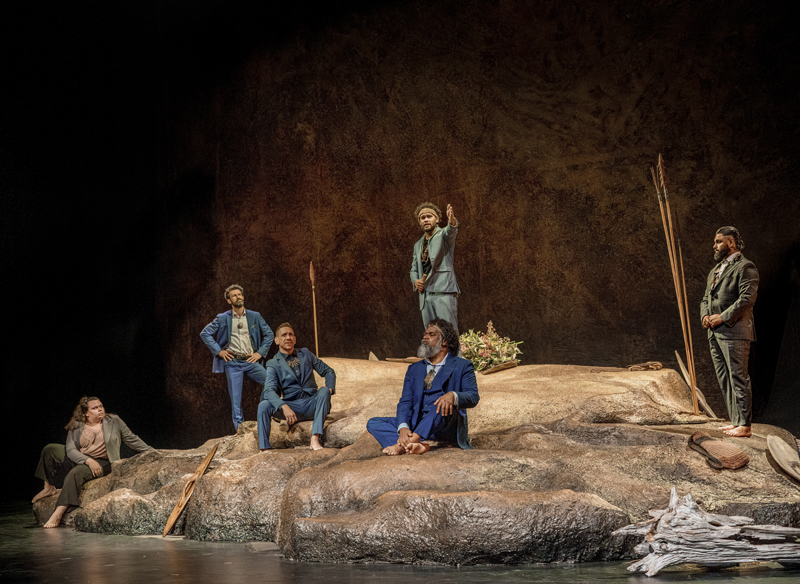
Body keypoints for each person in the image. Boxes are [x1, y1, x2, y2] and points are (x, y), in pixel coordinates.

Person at [32, 396, 154, 528]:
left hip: (103, 462)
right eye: (95, 408)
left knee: (76, 473)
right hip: (82, 458)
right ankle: (49, 488)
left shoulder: (113, 420)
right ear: (86, 412)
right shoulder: (77, 425)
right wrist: (87, 460)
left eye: (100, 406)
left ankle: (58, 513)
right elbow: (71, 449)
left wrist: (152, 451)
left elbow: (131, 438)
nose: (100, 409)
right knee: (50, 449)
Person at [367, 318, 479, 455]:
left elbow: (473, 396)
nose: (425, 337)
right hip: (417, 423)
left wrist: (453, 395)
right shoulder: (414, 369)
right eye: (425, 334)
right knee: (374, 423)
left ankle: (406, 444)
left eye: (431, 334)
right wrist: (403, 428)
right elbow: (406, 401)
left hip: (444, 424)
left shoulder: (462, 366)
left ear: (444, 341)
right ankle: (418, 444)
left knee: (441, 404)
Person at [700, 226, 759, 437]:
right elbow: (706, 298)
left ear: (731, 242)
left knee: (738, 378)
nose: (714, 246)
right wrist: (705, 316)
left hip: (735, 332)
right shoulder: (716, 270)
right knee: (725, 378)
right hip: (715, 332)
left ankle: (745, 425)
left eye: (718, 241)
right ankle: (736, 421)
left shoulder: (746, 267)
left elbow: (746, 299)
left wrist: (722, 317)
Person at [200, 284, 274, 430]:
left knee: (270, 382)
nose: (238, 297)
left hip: (250, 359)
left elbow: (269, 334)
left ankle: (263, 414)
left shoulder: (255, 316)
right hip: (232, 362)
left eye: (239, 294)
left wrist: (260, 353)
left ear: (243, 297)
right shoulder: (222, 318)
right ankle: (240, 431)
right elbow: (205, 333)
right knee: (236, 399)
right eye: (234, 295)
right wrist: (219, 351)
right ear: (229, 300)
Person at [257, 323, 336, 451]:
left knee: (324, 391)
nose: (288, 337)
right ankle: (264, 449)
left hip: (312, 404)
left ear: (294, 339)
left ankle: (315, 439)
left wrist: (330, 389)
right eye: (284, 335)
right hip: (292, 408)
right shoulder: (273, 363)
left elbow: (328, 371)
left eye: (291, 335)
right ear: (277, 340)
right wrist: (284, 406)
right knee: (263, 405)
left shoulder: (306, 353)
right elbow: (268, 390)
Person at [410, 202, 461, 336]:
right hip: (425, 297)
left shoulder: (443, 235)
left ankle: (452, 353)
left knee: (448, 335)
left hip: (443, 292)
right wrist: (415, 281)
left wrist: (452, 221)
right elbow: (413, 269)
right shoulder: (418, 245)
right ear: (419, 222)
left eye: (429, 216)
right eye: (423, 218)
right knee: (432, 338)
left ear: (437, 219)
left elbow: (451, 231)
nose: (426, 219)